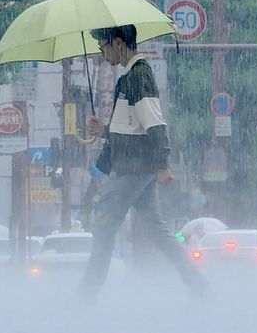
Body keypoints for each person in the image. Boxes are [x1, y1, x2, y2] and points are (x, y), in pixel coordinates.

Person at [78, 24, 207, 297]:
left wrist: (163, 165)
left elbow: (155, 123)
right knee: (156, 230)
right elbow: (130, 129)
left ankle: (86, 295)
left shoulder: (139, 76)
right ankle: (199, 286)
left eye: (104, 46)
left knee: (104, 225)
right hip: (137, 166)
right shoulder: (128, 78)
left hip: (134, 169)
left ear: (119, 44)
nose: (102, 52)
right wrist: (103, 130)